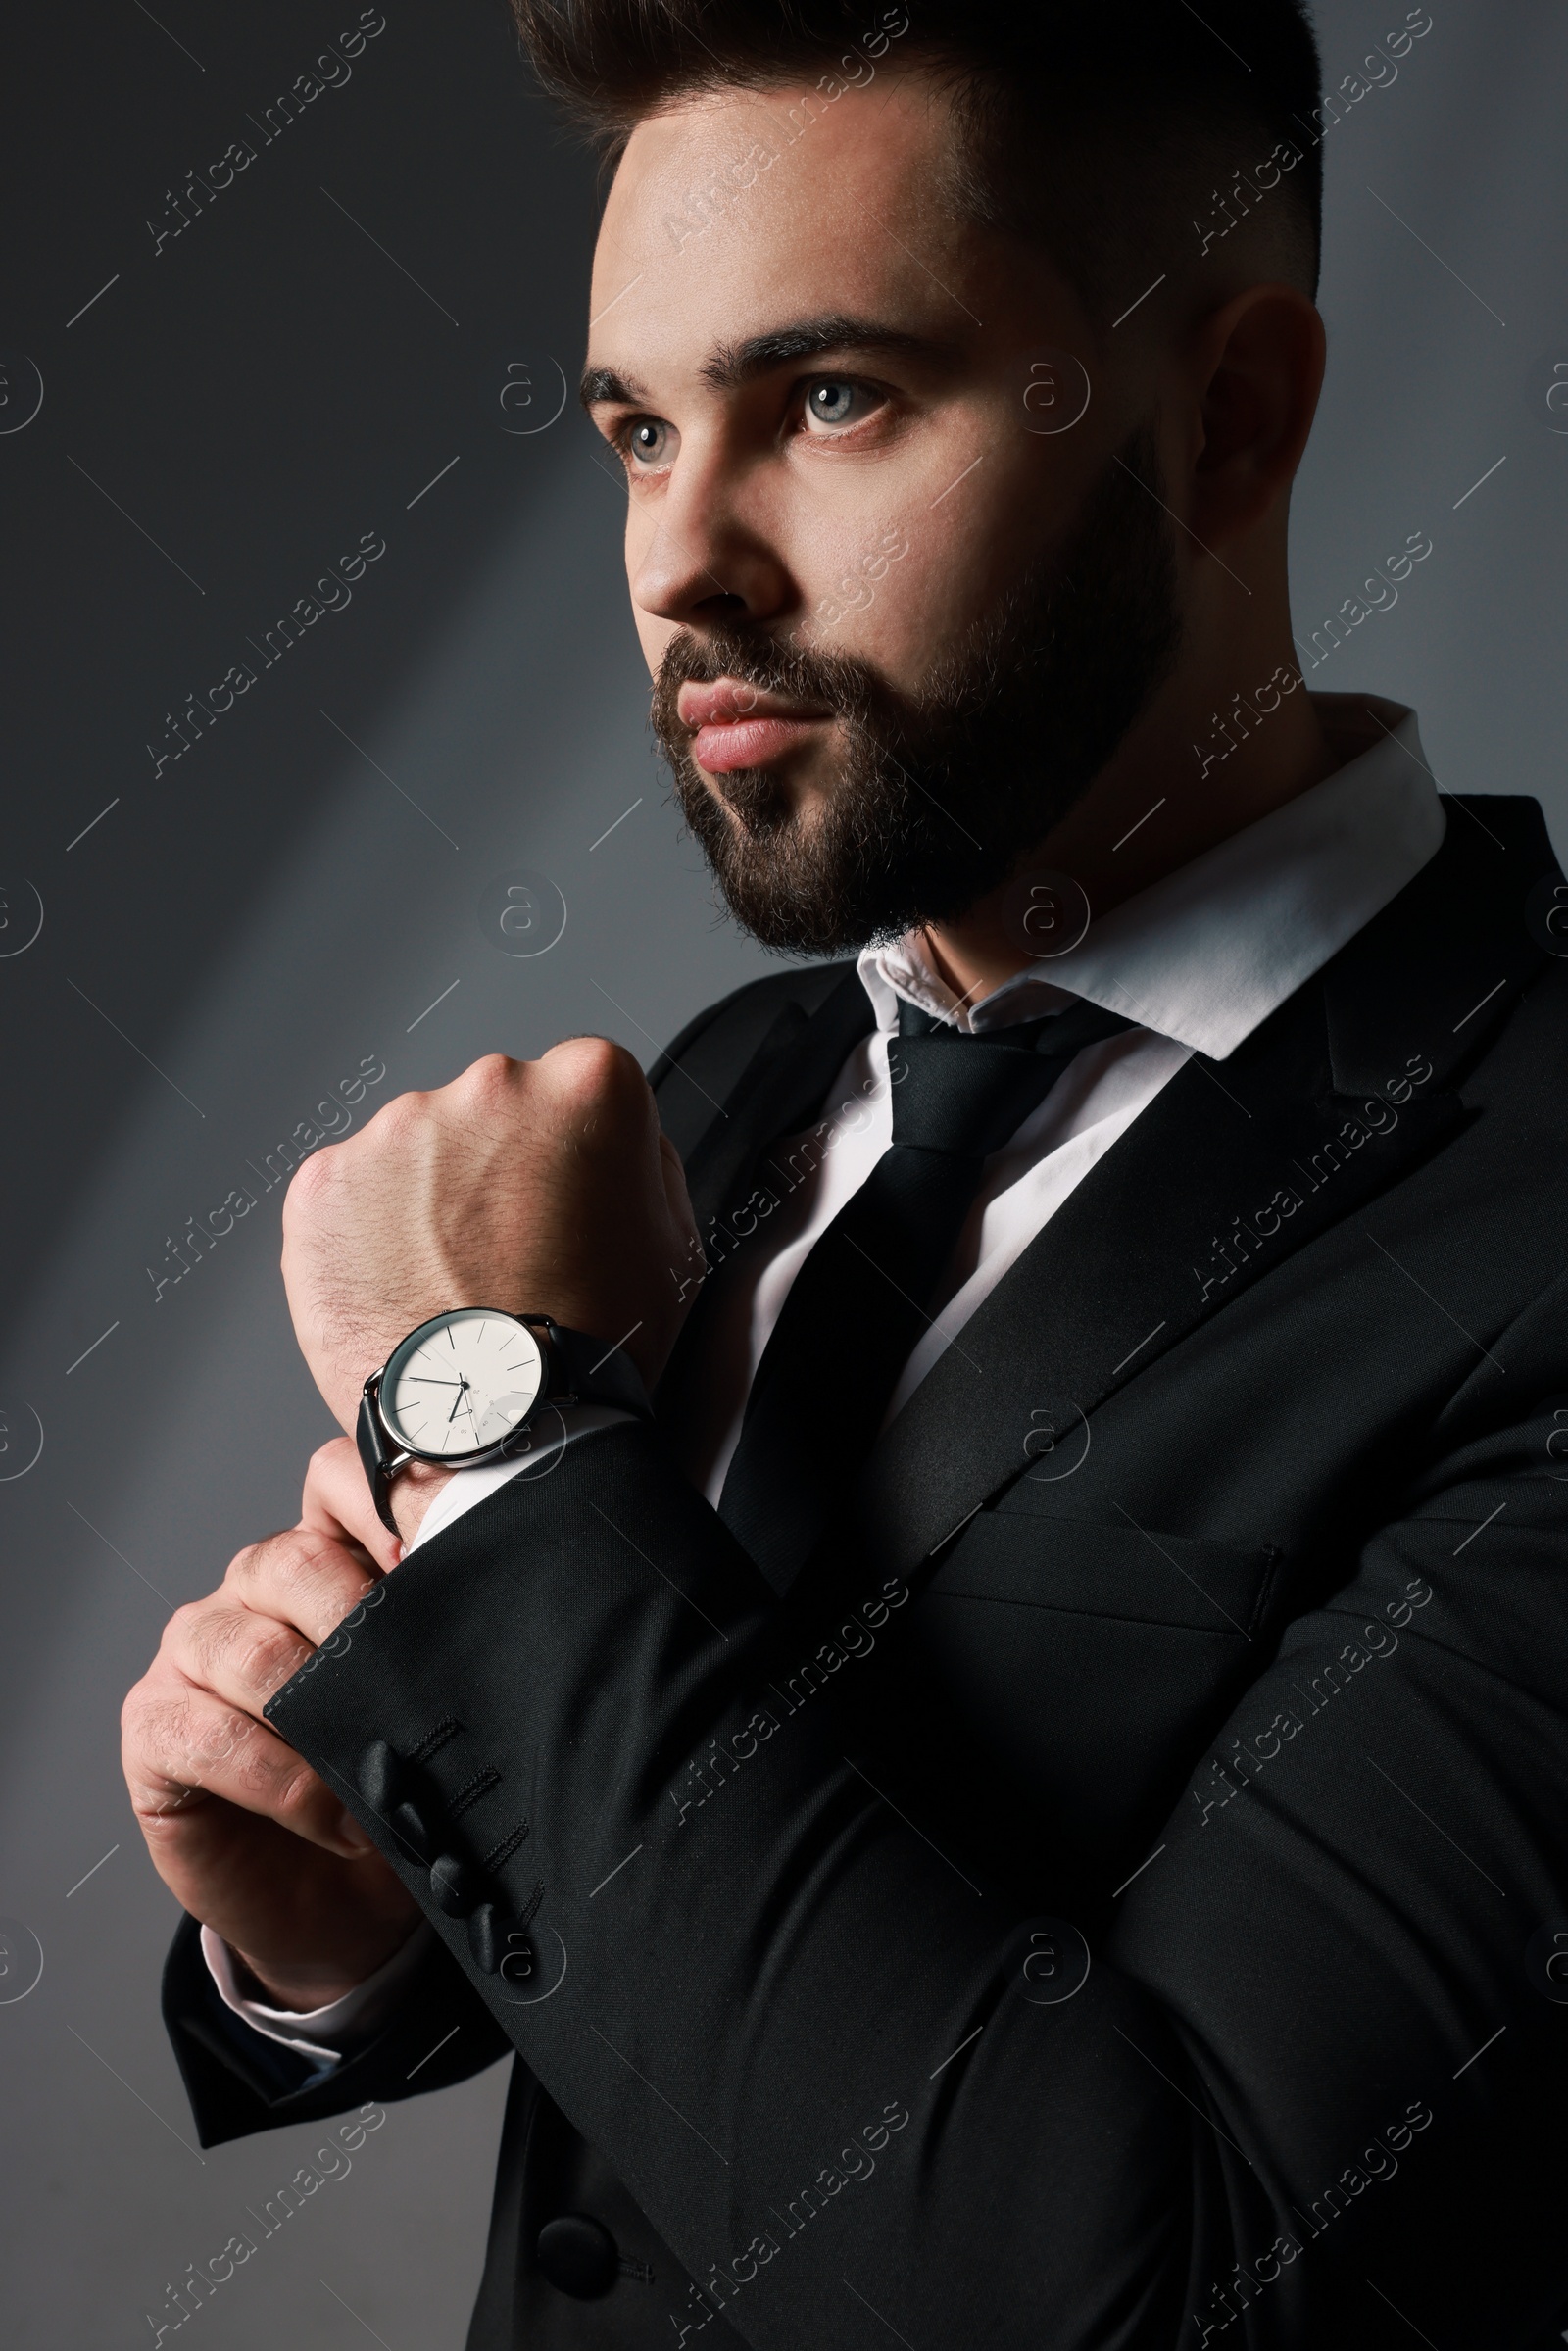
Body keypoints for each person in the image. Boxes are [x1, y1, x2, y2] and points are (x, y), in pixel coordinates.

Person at [121, 3, 1568, 2344]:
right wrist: (340, 1955)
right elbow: (689, 1942)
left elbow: (1149, 2281)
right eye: (630, 430)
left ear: (1226, 416)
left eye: (826, 400)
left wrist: (475, 1422)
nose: (680, 563)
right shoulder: (721, 1098)